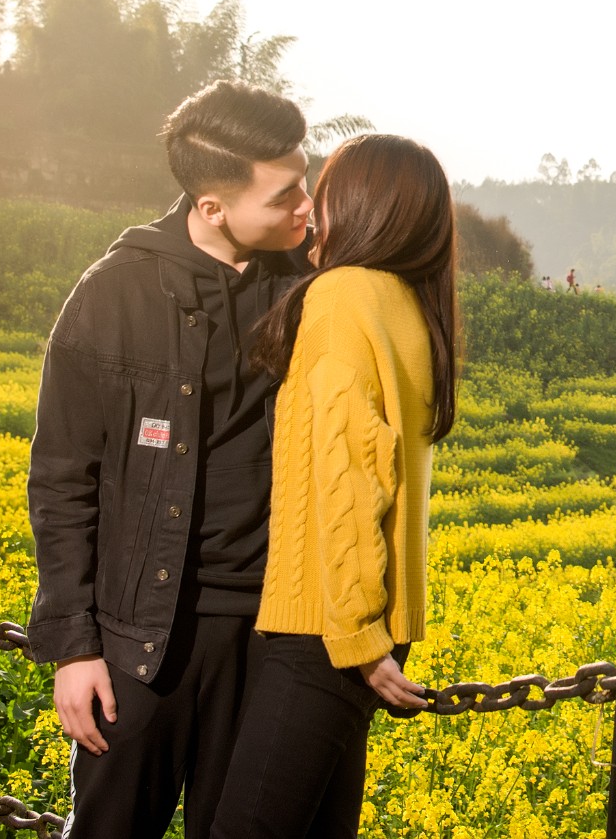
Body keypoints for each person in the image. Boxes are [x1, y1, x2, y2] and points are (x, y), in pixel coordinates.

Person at [25, 81, 312, 839]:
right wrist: (74, 649)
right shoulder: (113, 293)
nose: (306, 206)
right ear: (212, 206)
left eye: (305, 182)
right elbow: (61, 480)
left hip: (271, 636)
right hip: (140, 641)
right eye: (284, 195)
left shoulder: (313, 287)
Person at [209, 133, 455, 839]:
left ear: (360, 206)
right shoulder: (406, 301)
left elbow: (350, 476)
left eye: (326, 193)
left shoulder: (342, 295)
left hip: (325, 626)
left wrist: (355, 634)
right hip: (363, 625)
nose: (313, 210)